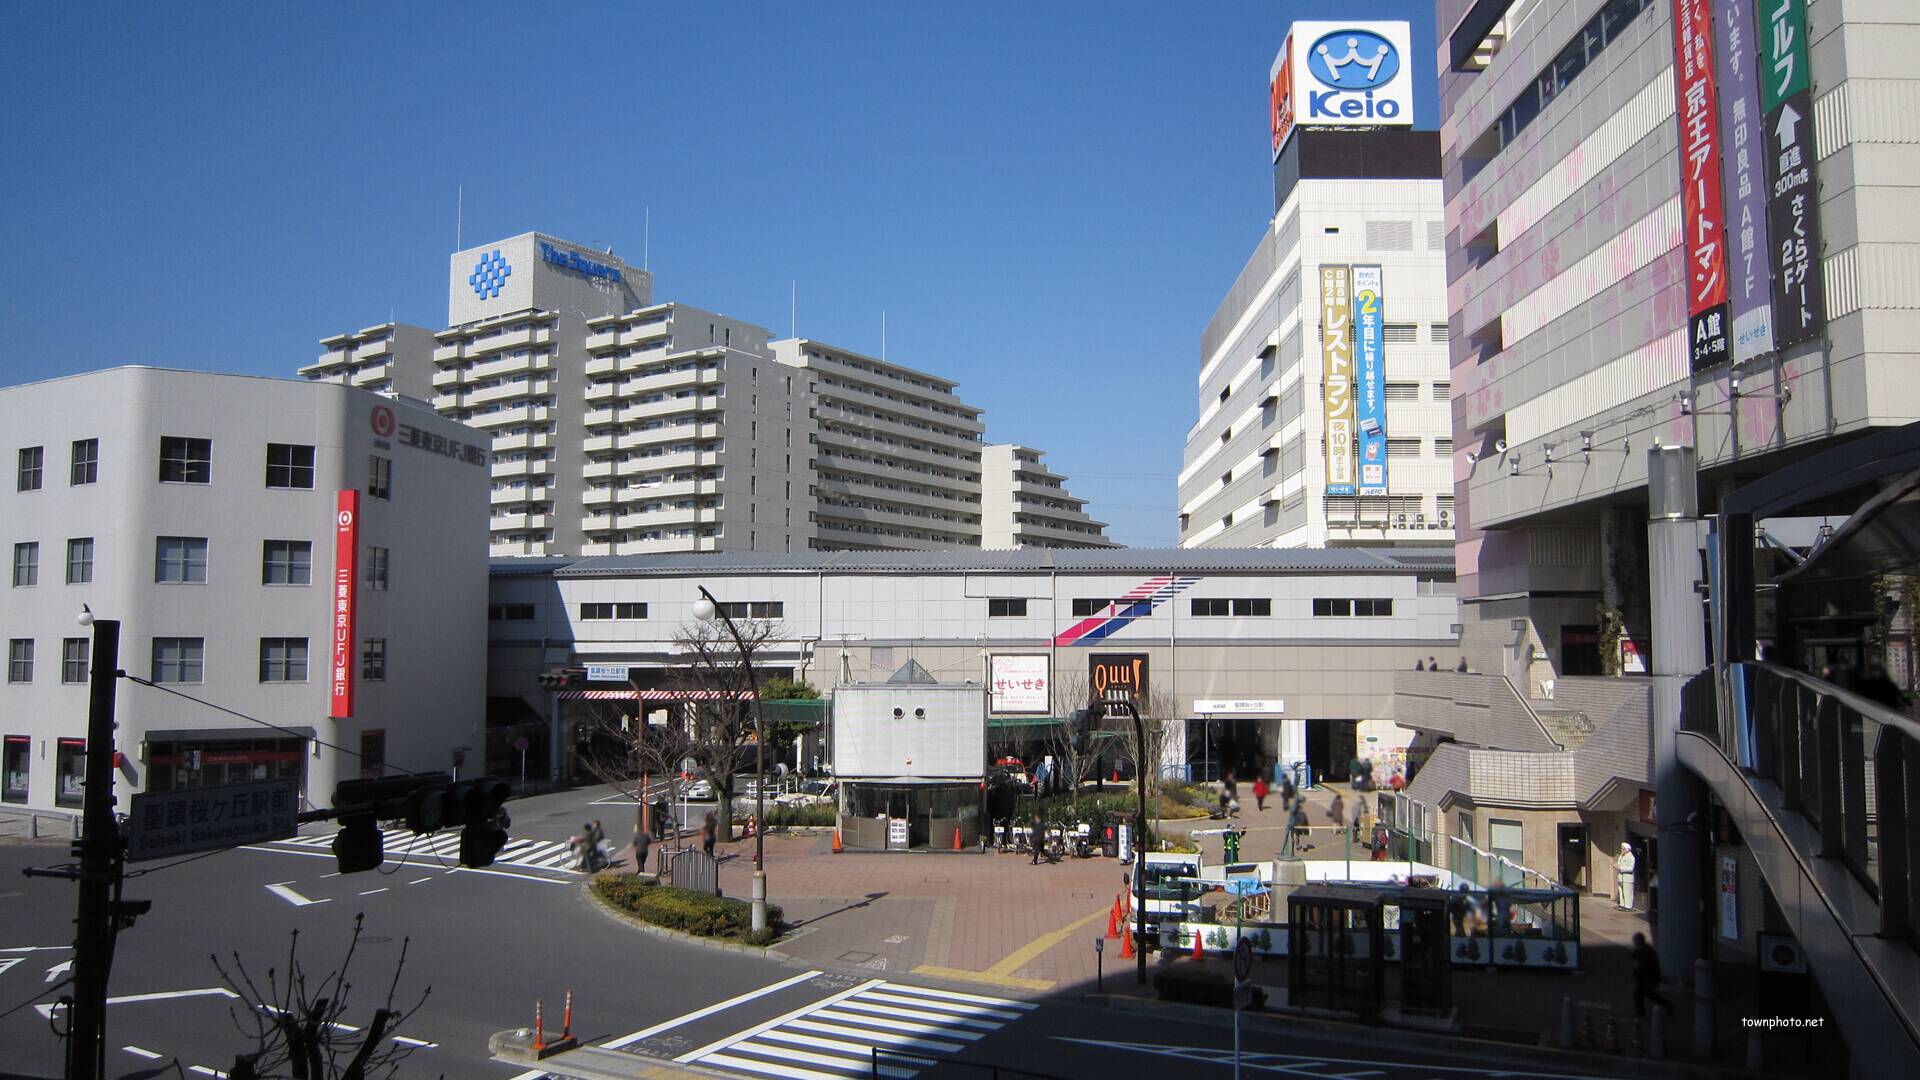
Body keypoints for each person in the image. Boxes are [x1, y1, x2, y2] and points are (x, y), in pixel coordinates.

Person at [1630, 932, 1673, 1017]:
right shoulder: (1648, 949)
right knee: (1647, 994)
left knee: (1640, 994)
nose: (1634, 942)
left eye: (1634, 941)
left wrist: (1637, 975)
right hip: (1650, 977)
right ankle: (1668, 1005)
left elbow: (1638, 967)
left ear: (1637, 941)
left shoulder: (1638, 952)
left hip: (1646, 978)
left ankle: (1641, 1013)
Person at [1615, 842, 1637, 910]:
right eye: (1621, 849)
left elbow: (1630, 868)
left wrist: (1620, 868)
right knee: (1621, 892)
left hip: (1627, 878)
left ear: (1628, 849)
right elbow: (1619, 863)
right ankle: (1622, 904)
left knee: (1627, 893)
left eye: (1623, 849)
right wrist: (1616, 865)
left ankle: (1628, 906)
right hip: (1621, 878)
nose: (1622, 850)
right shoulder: (1621, 856)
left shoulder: (1631, 857)